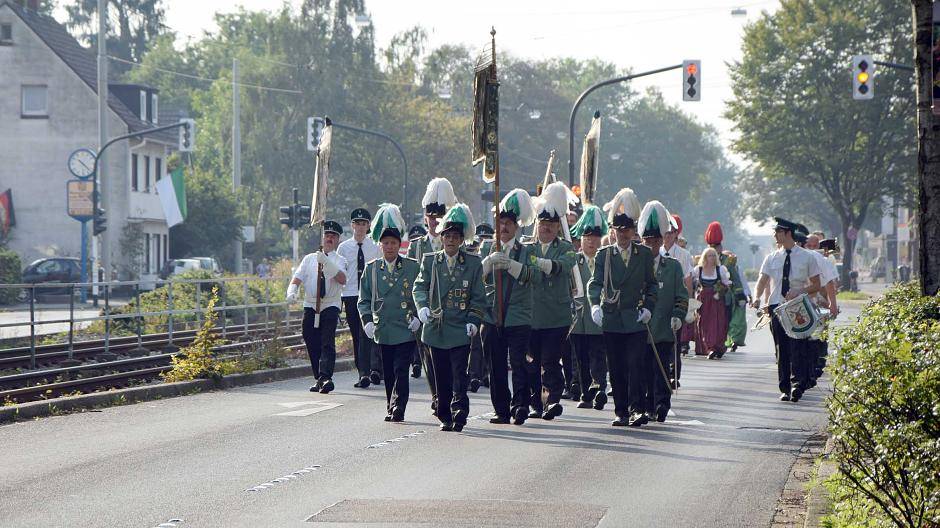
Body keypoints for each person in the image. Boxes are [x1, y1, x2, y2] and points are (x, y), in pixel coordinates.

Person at [413, 203, 486, 432]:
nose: (451, 241)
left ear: (462, 240)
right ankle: (444, 411)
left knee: (459, 374)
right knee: (440, 373)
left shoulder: (473, 263)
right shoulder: (431, 261)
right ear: (442, 238)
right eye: (447, 236)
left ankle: (460, 411)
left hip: (460, 327)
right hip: (436, 327)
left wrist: (474, 321)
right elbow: (419, 287)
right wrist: (422, 307)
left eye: (455, 237)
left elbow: (478, 296)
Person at [588, 188, 658, 427]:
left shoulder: (644, 254)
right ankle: (621, 411)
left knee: (636, 365)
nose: (623, 235)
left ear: (633, 231)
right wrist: (595, 306)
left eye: (627, 230)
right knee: (616, 368)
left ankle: (637, 408)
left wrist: (648, 307)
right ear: (613, 231)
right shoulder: (604, 255)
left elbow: (652, 285)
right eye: (619, 230)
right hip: (612, 318)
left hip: (635, 318)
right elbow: (595, 283)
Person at [479, 189, 539, 425]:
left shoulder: (528, 250)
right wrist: (489, 262)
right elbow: (476, 278)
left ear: (516, 227)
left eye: (508, 224)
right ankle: (501, 410)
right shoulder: (486, 248)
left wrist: (511, 265)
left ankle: (520, 405)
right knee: (495, 365)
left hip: (518, 316)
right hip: (492, 315)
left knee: (518, 362)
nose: (503, 227)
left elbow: (533, 276)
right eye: (500, 223)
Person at [358, 204, 420, 422]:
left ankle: (399, 407)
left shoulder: (412, 267)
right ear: (381, 245)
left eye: (394, 243)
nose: (390, 247)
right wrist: (367, 321)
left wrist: (419, 316)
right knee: (388, 371)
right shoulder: (372, 269)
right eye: (386, 243)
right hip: (383, 329)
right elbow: (363, 299)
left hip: (405, 327)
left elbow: (420, 293)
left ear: (399, 244)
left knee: (401, 368)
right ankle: (390, 404)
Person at [752, 217, 822, 402]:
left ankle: (798, 383)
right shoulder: (772, 257)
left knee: (799, 346)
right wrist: (757, 297)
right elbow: (762, 280)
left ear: (788, 233)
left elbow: (816, 284)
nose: (775, 235)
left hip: (797, 307)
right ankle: (785, 387)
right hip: (777, 307)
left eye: (778, 232)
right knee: (781, 349)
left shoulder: (807, 257)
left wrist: (801, 290)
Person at [527, 182, 579, 421]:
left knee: (550, 360)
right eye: (542, 224)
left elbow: (562, 267)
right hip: (532, 315)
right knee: (531, 362)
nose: (546, 229)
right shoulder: (527, 248)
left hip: (557, 316)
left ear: (558, 227)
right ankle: (535, 402)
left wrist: (537, 262)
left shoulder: (566, 248)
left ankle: (554, 399)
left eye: (550, 225)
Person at [408, 177, 458, 416]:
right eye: (430, 218)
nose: (434, 222)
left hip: (449, 308)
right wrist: (415, 310)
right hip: (424, 308)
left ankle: (447, 395)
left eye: (438, 218)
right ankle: (437, 396)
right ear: (425, 218)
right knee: (427, 354)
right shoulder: (416, 246)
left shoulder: (452, 241)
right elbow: (410, 278)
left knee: (449, 357)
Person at [638, 201, 688, 422]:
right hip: (640, 327)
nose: (651, 245)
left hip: (664, 327)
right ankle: (646, 404)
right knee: (643, 370)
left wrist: (678, 316)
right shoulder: (635, 265)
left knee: (662, 369)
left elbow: (681, 296)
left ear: (662, 240)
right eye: (647, 241)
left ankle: (661, 405)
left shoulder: (673, 266)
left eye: (656, 240)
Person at [286, 221, 348, 394]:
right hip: (311, 304)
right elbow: (297, 278)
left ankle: (326, 376)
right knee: (310, 338)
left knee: (327, 341)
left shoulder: (339, 260)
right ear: (323, 237)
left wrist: (326, 263)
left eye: (333, 236)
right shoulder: (309, 259)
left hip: (330, 304)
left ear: (337, 240)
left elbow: (342, 279)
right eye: (327, 235)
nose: (329, 238)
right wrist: (292, 291)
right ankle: (318, 377)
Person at [569, 205, 609, 411]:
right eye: (587, 237)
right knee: (581, 357)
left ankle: (600, 387)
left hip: (599, 317)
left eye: (595, 237)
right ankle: (586, 393)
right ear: (581, 239)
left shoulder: (606, 259)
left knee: (598, 355)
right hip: (579, 319)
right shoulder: (573, 261)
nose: (591, 241)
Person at [338, 207, 382, 389]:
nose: (360, 227)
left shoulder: (374, 247)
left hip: (369, 297)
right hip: (350, 295)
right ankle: (362, 371)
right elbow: (340, 272)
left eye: (364, 224)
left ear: (368, 226)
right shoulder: (344, 247)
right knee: (357, 335)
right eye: (357, 224)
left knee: (368, 334)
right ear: (352, 225)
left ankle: (371, 370)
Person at [703, 222, 747, 356]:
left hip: (725, 299)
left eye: (716, 246)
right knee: (709, 324)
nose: (714, 250)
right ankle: (711, 346)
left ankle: (720, 346)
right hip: (708, 300)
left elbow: (735, 279)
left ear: (721, 246)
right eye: (712, 247)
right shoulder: (702, 260)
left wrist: (740, 296)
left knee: (723, 323)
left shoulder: (729, 261)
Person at [662, 214, 694, 365]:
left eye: (670, 233)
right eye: (665, 232)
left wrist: (688, 304)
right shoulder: (654, 251)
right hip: (660, 301)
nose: (667, 236)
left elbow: (688, 280)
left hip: (677, 301)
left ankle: (675, 371)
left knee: (675, 338)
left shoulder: (684, 254)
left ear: (676, 234)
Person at [468, 223, 496, 391]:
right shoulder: (477, 257)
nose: (484, 241)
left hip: (489, 304)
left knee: (485, 343)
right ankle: (473, 375)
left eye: (488, 237)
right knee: (475, 342)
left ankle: (484, 373)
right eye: (482, 238)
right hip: (476, 302)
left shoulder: (493, 252)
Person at [693, 247, 732, 359]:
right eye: (709, 255)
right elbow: (692, 284)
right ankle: (709, 347)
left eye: (714, 255)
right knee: (705, 324)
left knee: (718, 324)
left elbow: (727, 284)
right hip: (704, 301)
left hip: (717, 301)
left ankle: (717, 347)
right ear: (705, 257)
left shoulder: (720, 270)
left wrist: (720, 292)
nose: (712, 257)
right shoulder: (698, 270)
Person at [406, 224, 428, 379]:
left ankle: (419, 361)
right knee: (416, 330)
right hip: (417, 294)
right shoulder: (416, 246)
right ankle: (416, 362)